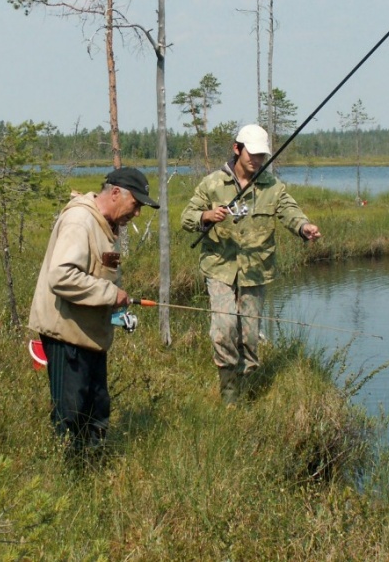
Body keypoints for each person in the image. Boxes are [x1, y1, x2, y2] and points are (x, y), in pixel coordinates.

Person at [181, 124, 321, 405]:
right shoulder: (212, 184)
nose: (256, 161)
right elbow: (186, 217)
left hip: (256, 270)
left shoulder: (272, 186)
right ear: (237, 149)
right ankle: (229, 398)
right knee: (223, 329)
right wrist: (207, 216)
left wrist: (304, 227)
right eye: (252, 154)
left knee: (249, 336)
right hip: (219, 267)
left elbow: (290, 211)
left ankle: (246, 390)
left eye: (261, 155)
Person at [29, 166, 159, 454]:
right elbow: (62, 276)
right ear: (115, 193)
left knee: (97, 412)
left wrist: (115, 311)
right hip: (67, 337)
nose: (137, 213)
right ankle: (67, 480)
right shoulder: (80, 221)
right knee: (70, 417)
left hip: (89, 337)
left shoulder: (102, 224)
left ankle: (92, 475)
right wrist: (111, 294)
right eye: (135, 204)